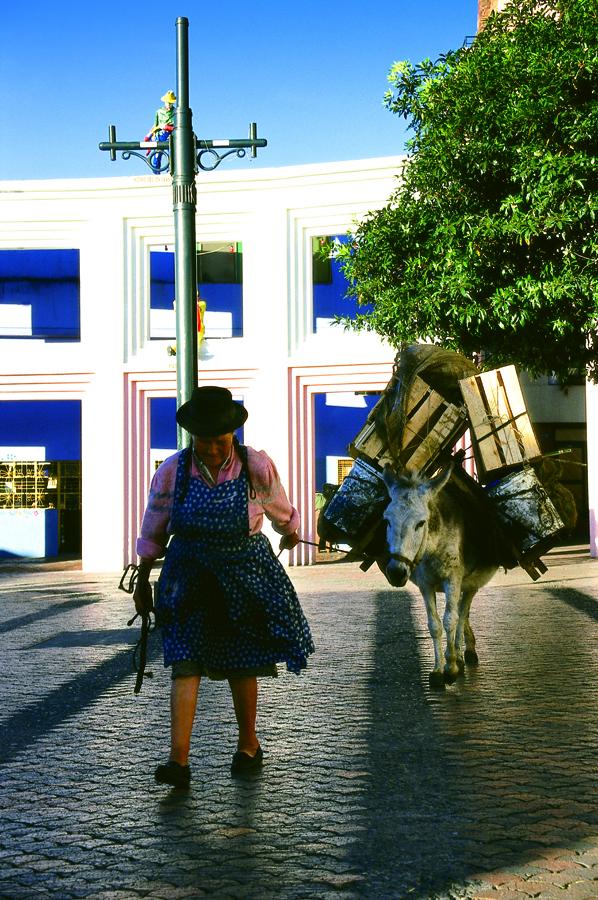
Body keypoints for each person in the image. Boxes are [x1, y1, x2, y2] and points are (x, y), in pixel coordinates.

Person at [133, 386, 314, 787]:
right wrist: (143, 576)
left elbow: (280, 508)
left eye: (220, 440)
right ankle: (178, 762)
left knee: (241, 662)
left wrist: (291, 530)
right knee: (185, 663)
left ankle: (248, 744)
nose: (213, 448)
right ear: (192, 437)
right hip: (189, 577)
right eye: (205, 441)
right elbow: (154, 525)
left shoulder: (255, 465)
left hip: (243, 575)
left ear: (232, 433)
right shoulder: (172, 471)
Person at [143, 90, 176, 173]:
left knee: (172, 153)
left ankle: (171, 171)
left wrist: (168, 127)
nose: (169, 105)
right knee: (157, 155)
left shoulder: (176, 112)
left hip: (170, 136)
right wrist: (149, 135)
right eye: (167, 102)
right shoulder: (159, 112)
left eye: (170, 103)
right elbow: (155, 125)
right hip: (159, 135)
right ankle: (156, 173)